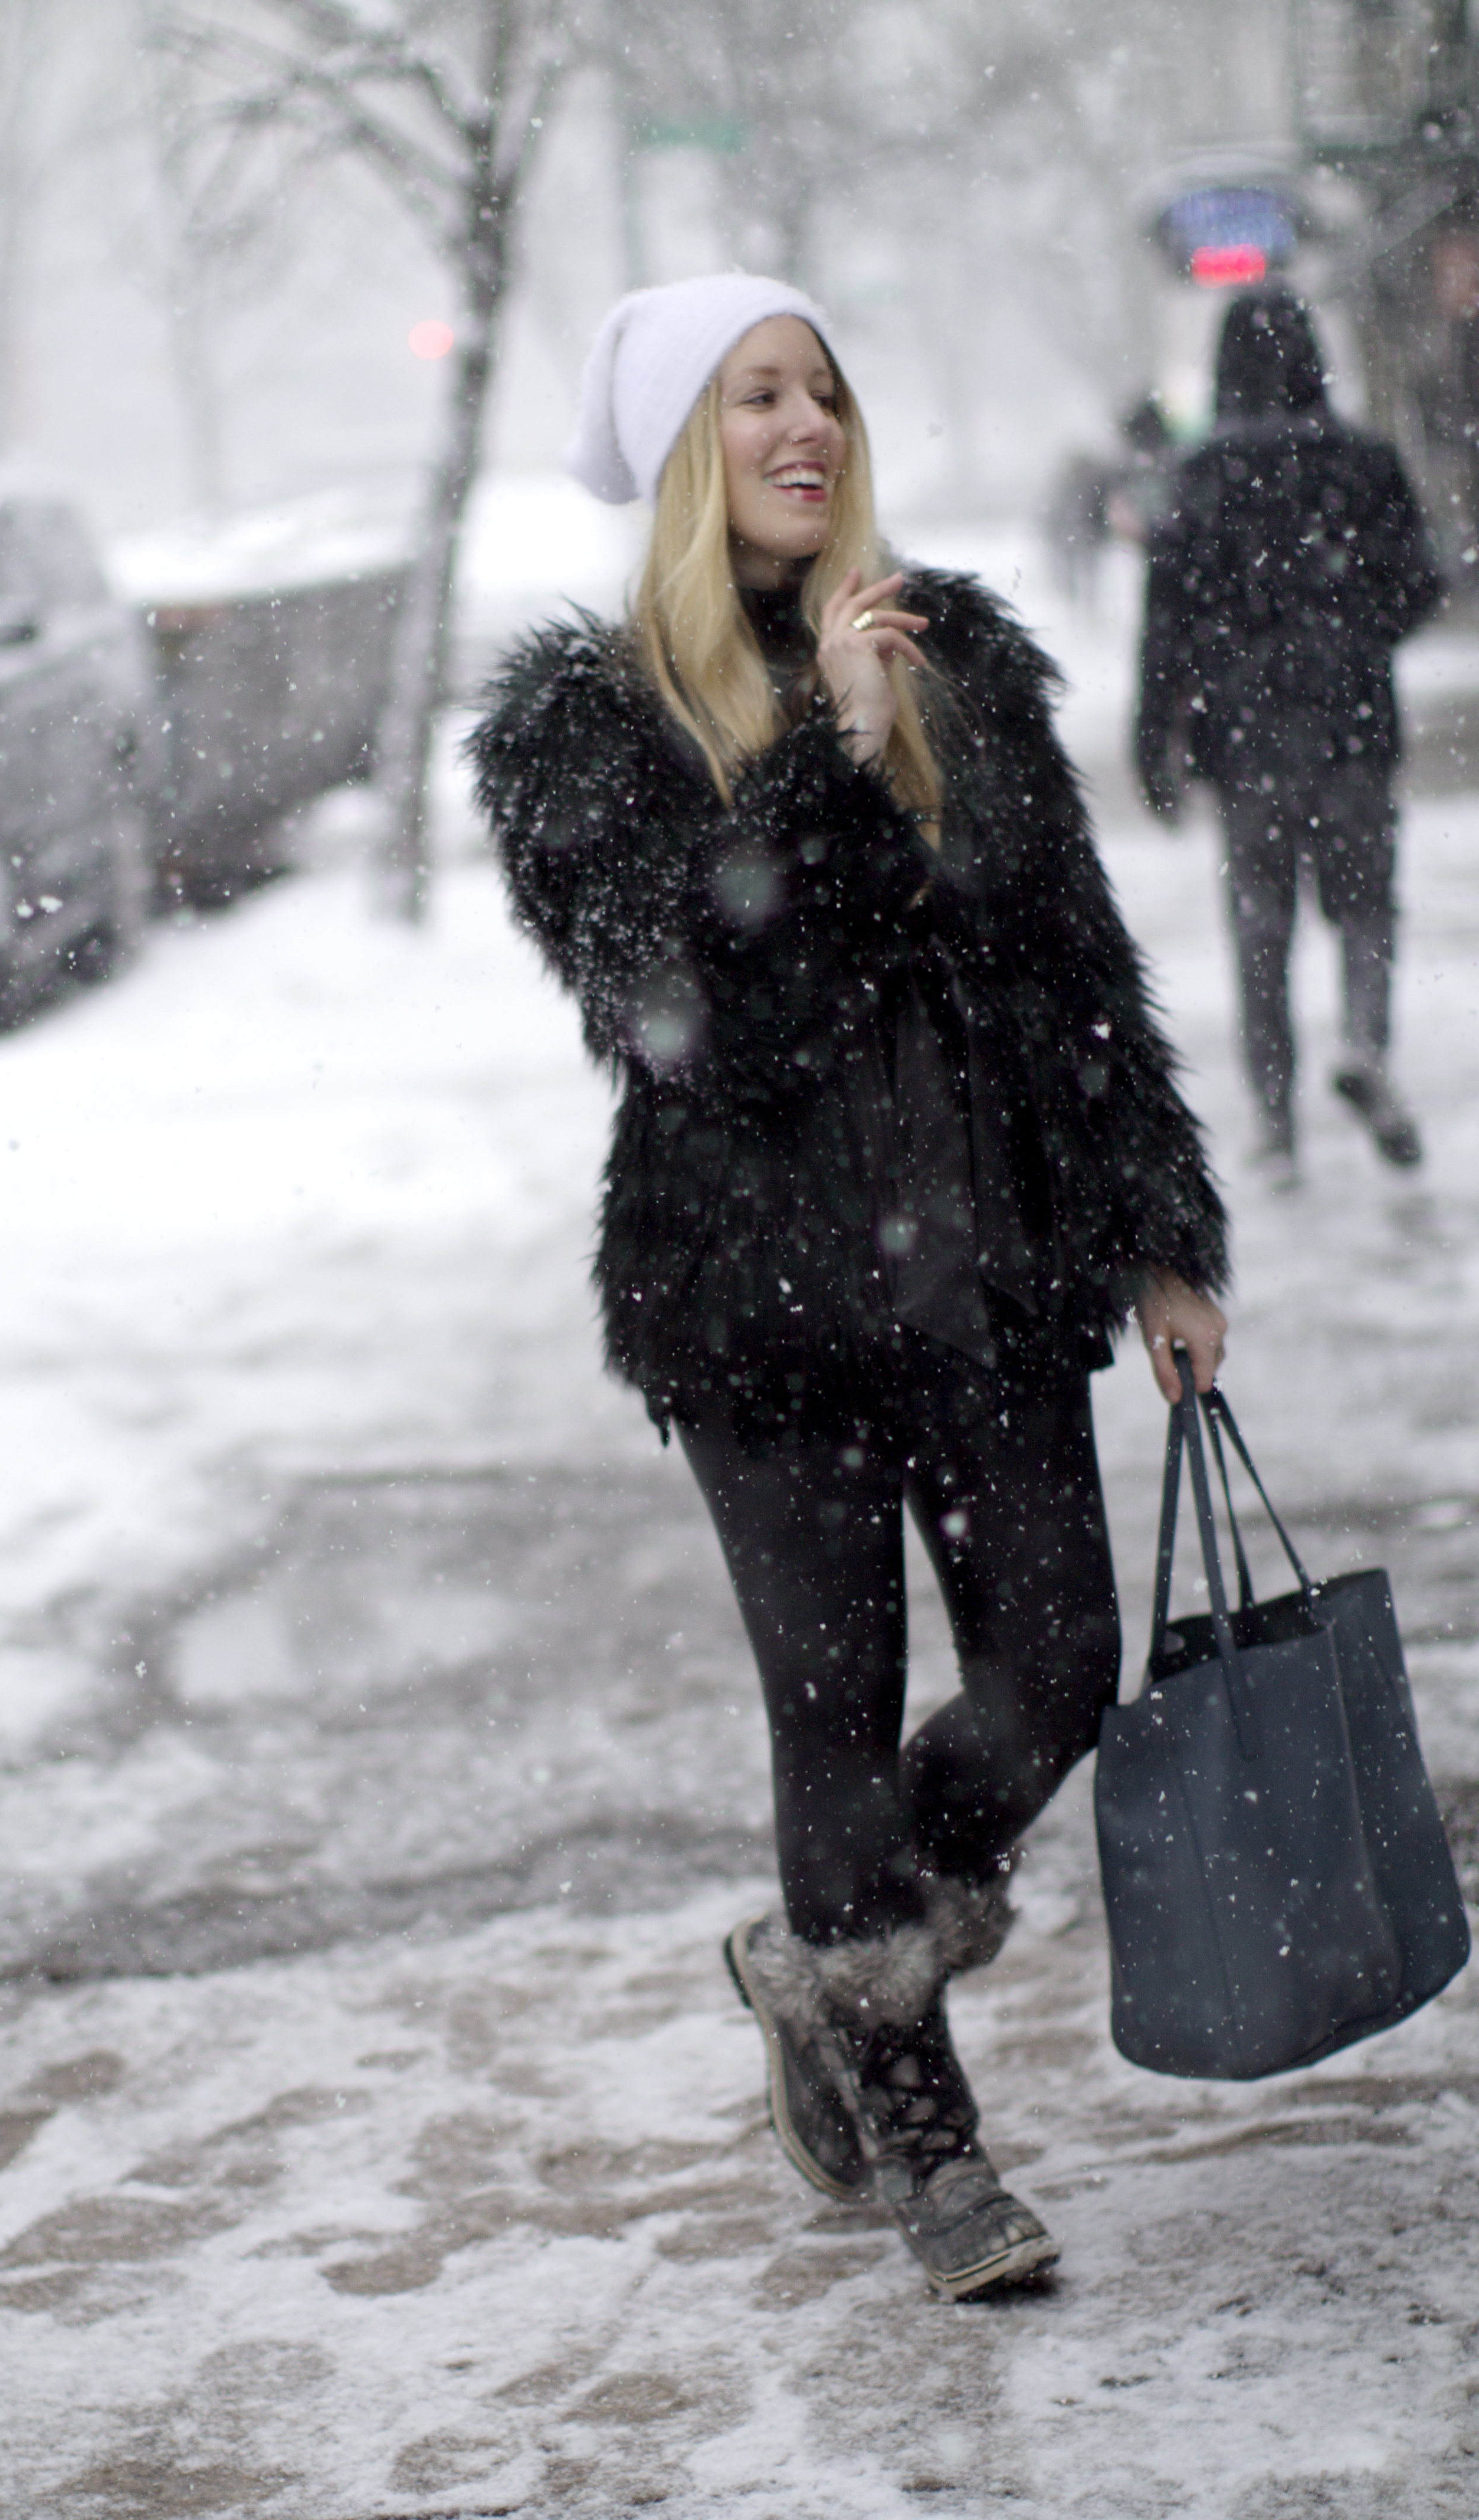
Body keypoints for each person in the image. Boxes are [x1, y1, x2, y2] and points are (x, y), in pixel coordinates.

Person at [468, 274, 1228, 2302]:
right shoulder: (579, 723)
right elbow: (685, 1014)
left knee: (1057, 1667)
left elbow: (1072, 966)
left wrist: (1157, 1231)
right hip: (757, 1323)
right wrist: (824, 751)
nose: (801, 427)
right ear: (672, 455)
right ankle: (931, 2148)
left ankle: (821, 1964)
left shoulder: (955, 652)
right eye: (750, 399)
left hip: (981, 1284)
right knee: (829, 1714)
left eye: (818, 390)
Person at [1136, 287, 1443, 1182]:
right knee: (1366, 907)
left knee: (1260, 924)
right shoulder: (1365, 459)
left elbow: (1166, 623)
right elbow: (1421, 583)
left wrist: (1156, 737)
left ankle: (1277, 1122)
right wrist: (1354, 633)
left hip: (1244, 738)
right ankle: (1365, 1046)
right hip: (1352, 723)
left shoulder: (1200, 473)